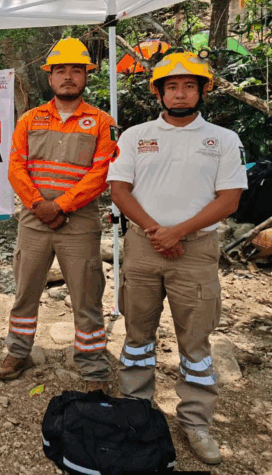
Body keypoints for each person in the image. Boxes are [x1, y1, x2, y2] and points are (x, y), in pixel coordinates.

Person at [107, 52, 247, 466]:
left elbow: (230, 198)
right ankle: (136, 409)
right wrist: (157, 231)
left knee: (196, 341)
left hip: (196, 252)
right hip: (142, 246)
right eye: (171, 86)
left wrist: (178, 232)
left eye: (189, 85)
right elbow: (119, 190)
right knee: (137, 334)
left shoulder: (223, 139)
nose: (180, 93)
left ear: (203, 90)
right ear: (159, 93)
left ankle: (196, 421)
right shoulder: (134, 136)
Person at [0, 38, 117, 393]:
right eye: (60, 70)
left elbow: (100, 174)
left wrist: (61, 205)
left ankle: (93, 366)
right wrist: (38, 205)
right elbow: (16, 167)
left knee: (86, 295)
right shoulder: (30, 119)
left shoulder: (101, 122)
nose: (68, 77)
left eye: (75, 70)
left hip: (79, 222)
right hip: (34, 219)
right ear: (50, 78)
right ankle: (18, 352)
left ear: (85, 76)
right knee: (25, 290)